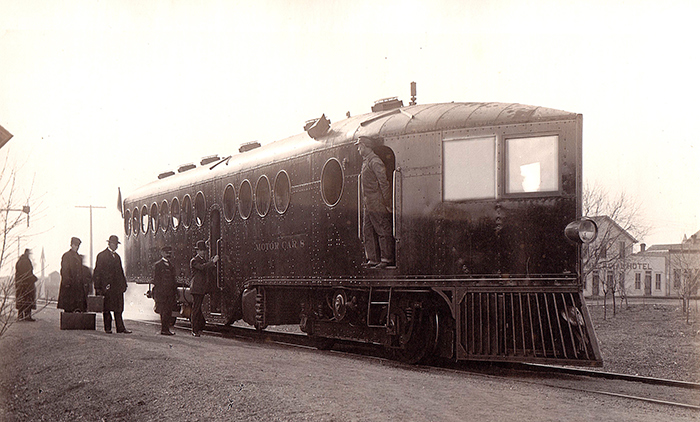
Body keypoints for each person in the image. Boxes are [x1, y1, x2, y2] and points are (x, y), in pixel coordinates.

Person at [356, 136, 395, 268]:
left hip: (377, 202)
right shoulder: (367, 161)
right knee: (367, 230)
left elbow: (384, 183)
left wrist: (387, 203)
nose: (358, 149)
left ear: (366, 146)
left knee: (382, 229)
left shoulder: (375, 161)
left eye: (359, 146)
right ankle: (372, 259)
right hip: (368, 203)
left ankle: (386, 258)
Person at [93, 235, 131, 334]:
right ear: (109, 243)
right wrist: (98, 287)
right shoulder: (101, 255)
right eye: (114, 244)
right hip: (107, 288)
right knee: (107, 309)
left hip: (117, 288)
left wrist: (124, 284)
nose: (116, 246)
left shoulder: (117, 257)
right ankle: (108, 328)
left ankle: (120, 328)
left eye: (117, 244)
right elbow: (97, 272)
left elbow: (120, 272)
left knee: (118, 309)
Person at [189, 240, 218, 337]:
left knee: (197, 308)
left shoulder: (202, 260)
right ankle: (194, 330)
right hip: (197, 288)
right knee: (196, 309)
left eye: (203, 250)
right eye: (201, 250)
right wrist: (212, 262)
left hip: (200, 288)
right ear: (197, 251)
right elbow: (202, 267)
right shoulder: (194, 261)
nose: (203, 252)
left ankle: (199, 327)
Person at [152, 246, 177, 335]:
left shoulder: (171, 265)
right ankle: (164, 329)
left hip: (170, 292)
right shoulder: (158, 265)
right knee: (163, 311)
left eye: (169, 253)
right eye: (166, 252)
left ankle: (166, 329)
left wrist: (175, 291)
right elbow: (156, 280)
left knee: (168, 311)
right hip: (162, 293)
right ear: (162, 253)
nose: (168, 254)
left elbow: (174, 280)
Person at [58, 237, 87, 312]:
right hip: (69, 287)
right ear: (71, 245)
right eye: (75, 245)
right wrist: (67, 283)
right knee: (69, 308)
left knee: (77, 308)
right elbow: (64, 271)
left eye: (78, 245)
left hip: (77, 287)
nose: (77, 247)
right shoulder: (66, 256)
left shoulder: (78, 257)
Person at [15, 248, 38, 321]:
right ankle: (27, 316)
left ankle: (20, 315)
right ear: (27, 253)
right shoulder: (27, 261)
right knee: (28, 299)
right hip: (28, 284)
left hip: (20, 284)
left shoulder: (19, 261)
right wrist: (34, 279)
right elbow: (28, 273)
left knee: (21, 299)